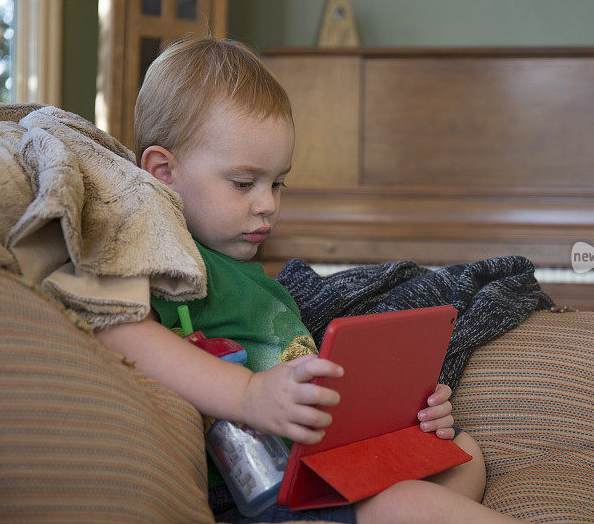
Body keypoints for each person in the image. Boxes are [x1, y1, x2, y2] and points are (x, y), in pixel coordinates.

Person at [96, 36, 522, 524]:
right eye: (243, 183)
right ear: (163, 171)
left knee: (464, 451)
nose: (268, 205)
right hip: (264, 496)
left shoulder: (257, 280)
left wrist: (410, 417)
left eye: (278, 183)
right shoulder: (170, 259)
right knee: (410, 505)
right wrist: (246, 395)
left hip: (325, 470)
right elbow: (119, 328)